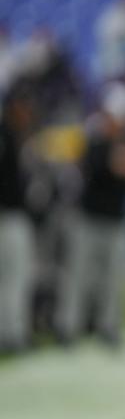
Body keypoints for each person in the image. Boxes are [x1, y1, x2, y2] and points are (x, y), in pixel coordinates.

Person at [56, 82, 125, 346]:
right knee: (79, 276)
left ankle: (109, 327)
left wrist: (122, 165)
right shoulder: (93, 138)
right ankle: (68, 327)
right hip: (88, 218)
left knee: (113, 279)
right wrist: (117, 164)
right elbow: (99, 169)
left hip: (114, 219)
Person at [0, 87, 36, 353]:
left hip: (14, 215)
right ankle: (12, 335)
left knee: (13, 278)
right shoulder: (7, 135)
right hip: (10, 216)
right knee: (15, 278)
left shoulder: (15, 136)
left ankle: (12, 333)